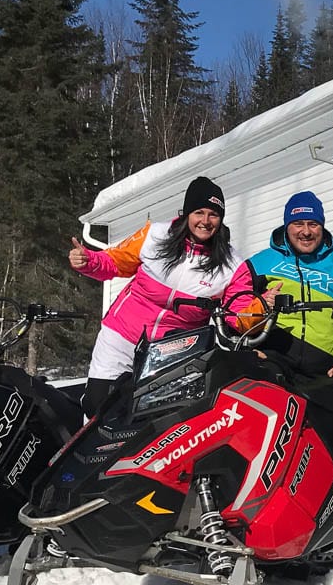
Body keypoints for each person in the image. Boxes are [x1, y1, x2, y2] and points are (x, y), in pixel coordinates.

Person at [69, 176, 242, 416]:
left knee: (149, 419)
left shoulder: (232, 264)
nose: (205, 221)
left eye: (213, 214)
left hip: (173, 350)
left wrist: (260, 307)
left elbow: (240, 311)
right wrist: (89, 260)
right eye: (199, 212)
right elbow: (114, 262)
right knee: (98, 405)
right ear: (186, 213)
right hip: (123, 334)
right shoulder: (155, 235)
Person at [226, 190, 333, 380]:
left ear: (322, 227)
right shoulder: (260, 263)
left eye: (313, 224)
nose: (306, 232)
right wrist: (262, 306)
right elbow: (234, 315)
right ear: (287, 226)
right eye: (298, 224)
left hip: (330, 368)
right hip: (274, 358)